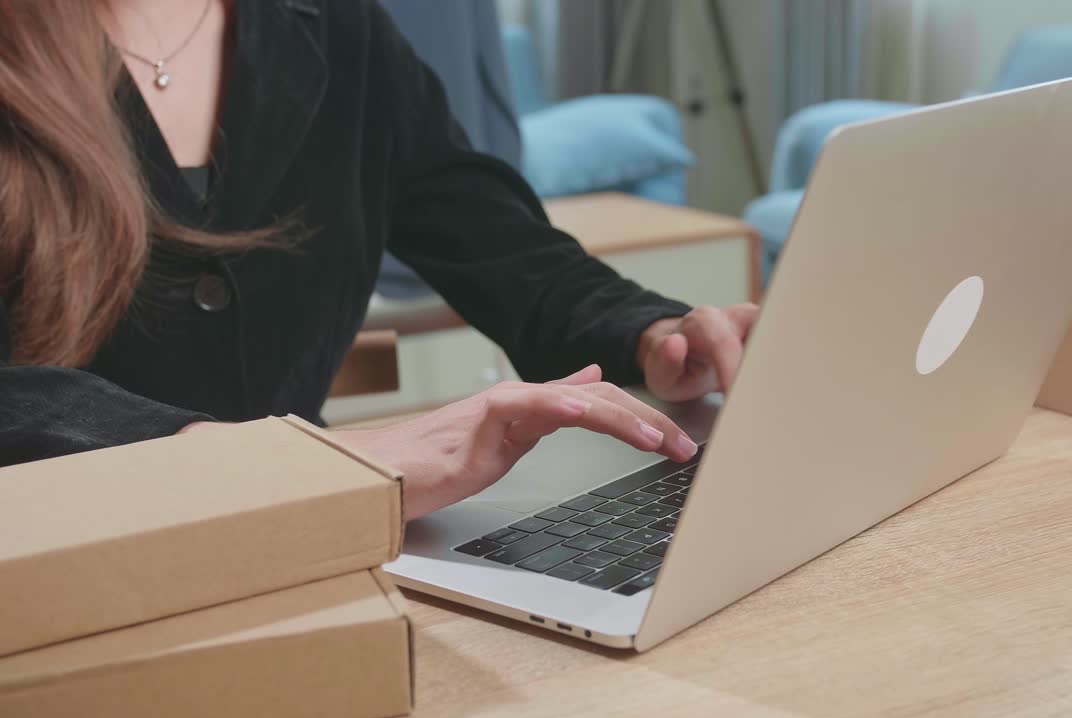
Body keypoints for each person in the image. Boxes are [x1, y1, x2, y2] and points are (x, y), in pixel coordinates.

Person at [0, 0, 758, 519]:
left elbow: (493, 238)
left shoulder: (335, 24)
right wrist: (278, 459)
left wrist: (650, 334)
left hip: (315, 546)